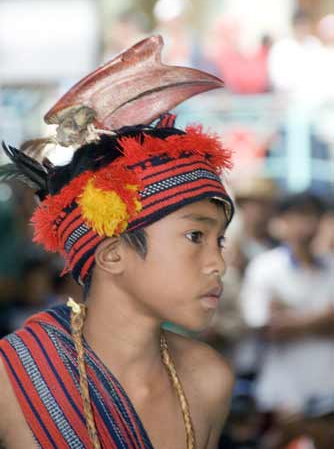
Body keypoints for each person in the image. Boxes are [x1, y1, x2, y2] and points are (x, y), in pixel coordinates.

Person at [0, 36, 235, 448]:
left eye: (220, 241)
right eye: (195, 236)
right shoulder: (14, 379)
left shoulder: (207, 380)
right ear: (111, 253)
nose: (218, 264)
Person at [240, 192, 334, 416]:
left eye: (313, 216)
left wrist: (290, 316)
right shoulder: (265, 266)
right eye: (299, 216)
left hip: (328, 388)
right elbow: (266, 327)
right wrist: (324, 318)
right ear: (282, 221)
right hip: (282, 393)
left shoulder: (331, 267)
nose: (306, 225)